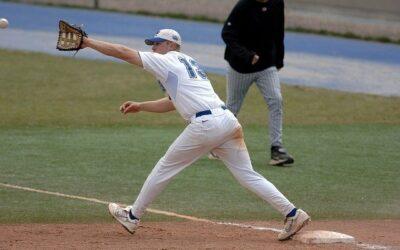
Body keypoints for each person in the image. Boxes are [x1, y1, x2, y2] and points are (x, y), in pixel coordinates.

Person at [81, 28, 310, 241]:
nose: (152, 48)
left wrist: (88, 42)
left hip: (206, 125)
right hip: (227, 122)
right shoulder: (188, 62)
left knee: (165, 167)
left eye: (156, 43)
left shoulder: (167, 59)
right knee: (248, 176)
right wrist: (141, 106)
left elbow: (123, 52)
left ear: (170, 45)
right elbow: (172, 102)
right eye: (151, 44)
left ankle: (132, 216)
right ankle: (293, 213)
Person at [221, 0, 294, 166]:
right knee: (232, 107)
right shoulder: (243, 6)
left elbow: (279, 31)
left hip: (267, 65)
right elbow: (227, 34)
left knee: (276, 100)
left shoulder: (277, 3)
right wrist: (247, 55)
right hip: (239, 66)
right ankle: (218, 143)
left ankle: (277, 149)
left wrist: (279, 60)